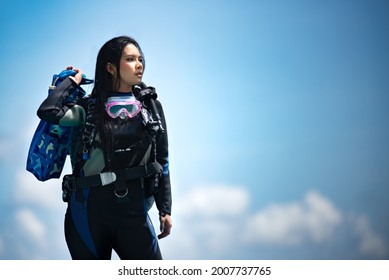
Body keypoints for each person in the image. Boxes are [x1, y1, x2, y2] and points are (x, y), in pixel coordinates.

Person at [37, 36, 172, 260]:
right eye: (130, 59)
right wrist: (70, 83)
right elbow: (49, 111)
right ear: (110, 67)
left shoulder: (151, 107)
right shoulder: (88, 108)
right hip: (87, 214)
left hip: (134, 213)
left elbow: (163, 160)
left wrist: (165, 208)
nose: (139, 64)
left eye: (140, 59)